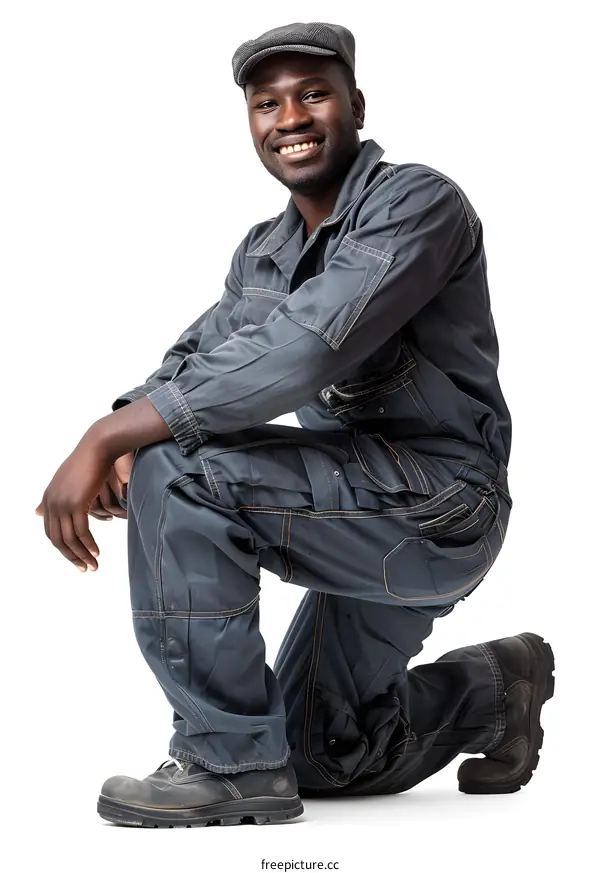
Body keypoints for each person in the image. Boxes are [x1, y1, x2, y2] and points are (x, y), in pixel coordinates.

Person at [36, 22, 555, 829]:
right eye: (266, 103)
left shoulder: (418, 204)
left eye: (314, 94)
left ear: (357, 106)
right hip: (352, 510)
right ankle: (492, 689)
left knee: (182, 470)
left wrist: (111, 442)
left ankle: (227, 761)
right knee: (323, 750)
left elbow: (305, 347)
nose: (291, 118)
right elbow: (204, 353)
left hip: (442, 506)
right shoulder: (265, 252)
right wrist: (122, 421)